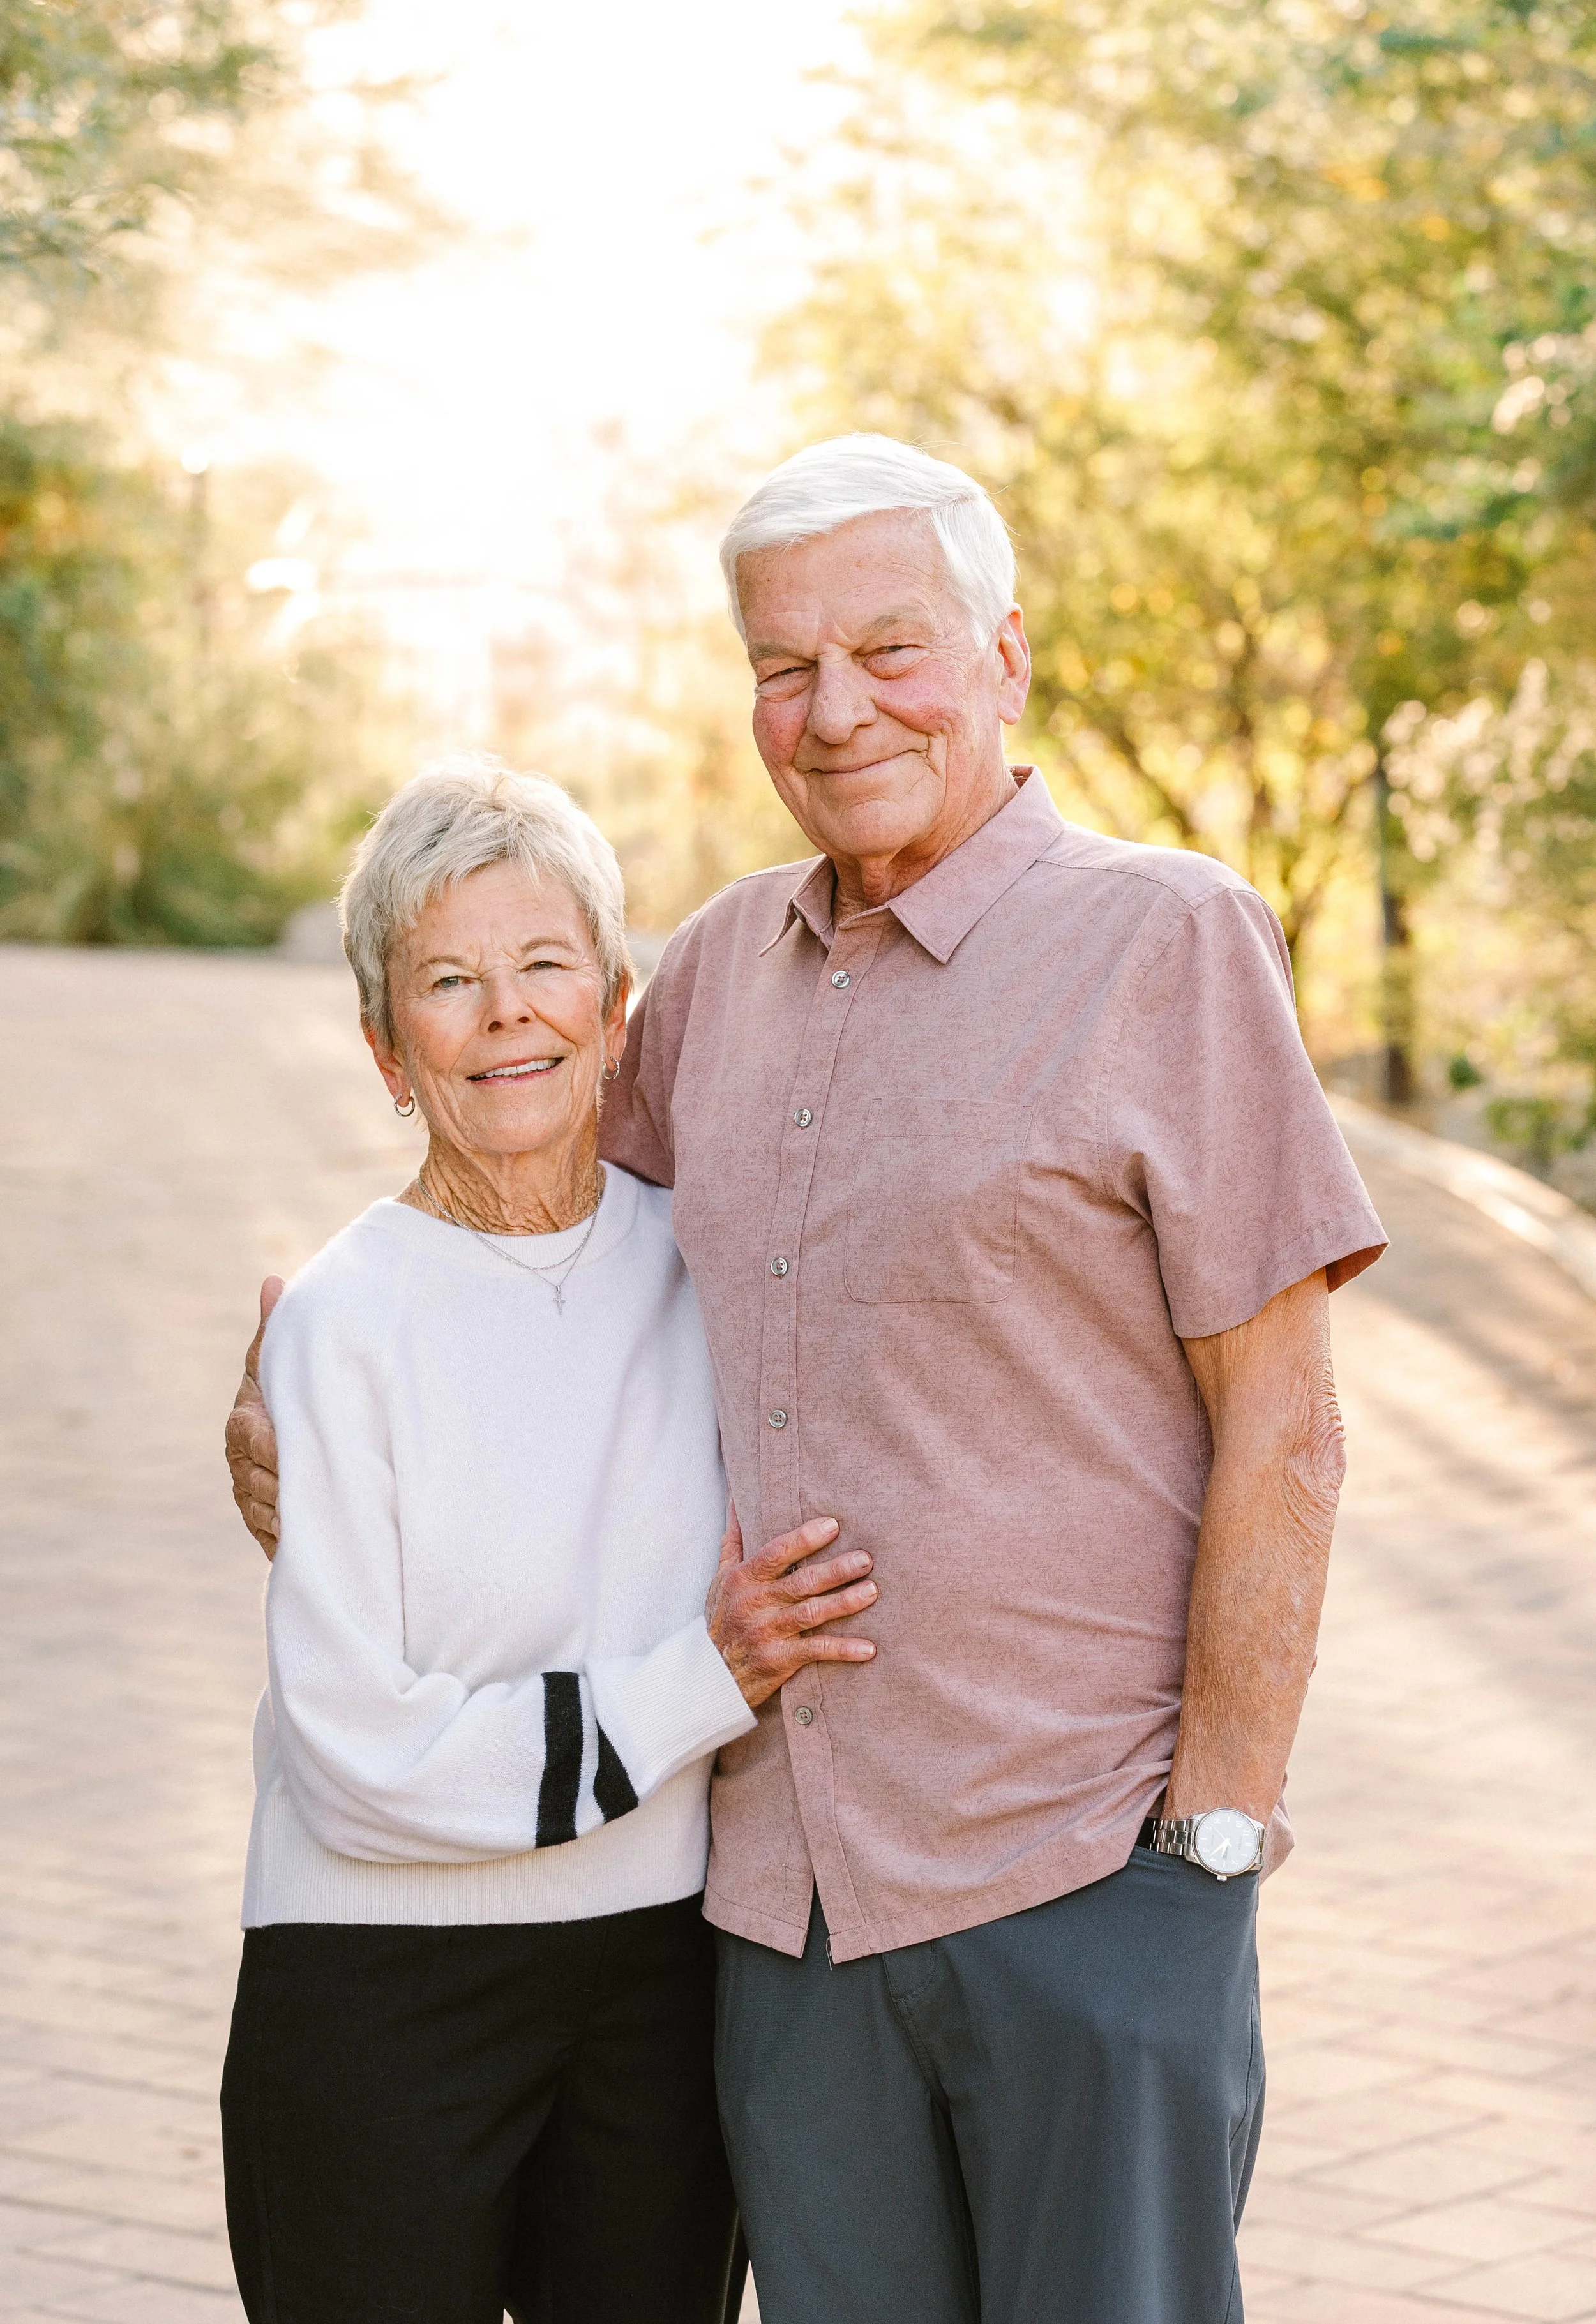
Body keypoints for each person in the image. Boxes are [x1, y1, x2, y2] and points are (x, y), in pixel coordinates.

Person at [229, 435, 1387, 2324]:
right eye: (784, 666)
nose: (835, 709)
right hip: (774, 1916)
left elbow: (1292, 1426)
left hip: (1076, 1876)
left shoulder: (1164, 940)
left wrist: (1211, 1848)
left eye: (889, 649)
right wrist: (308, 1394)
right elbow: (539, 1234)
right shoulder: (706, 979)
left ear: (1002, 654)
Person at [219, 760, 877, 2324]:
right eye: (447, 979)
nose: (505, 1013)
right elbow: (354, 1754)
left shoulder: (710, 1262)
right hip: (374, 1988)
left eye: (542, 964)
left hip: (656, 1976)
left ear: (616, 1000)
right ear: (389, 1047)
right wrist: (697, 1682)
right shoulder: (339, 1322)